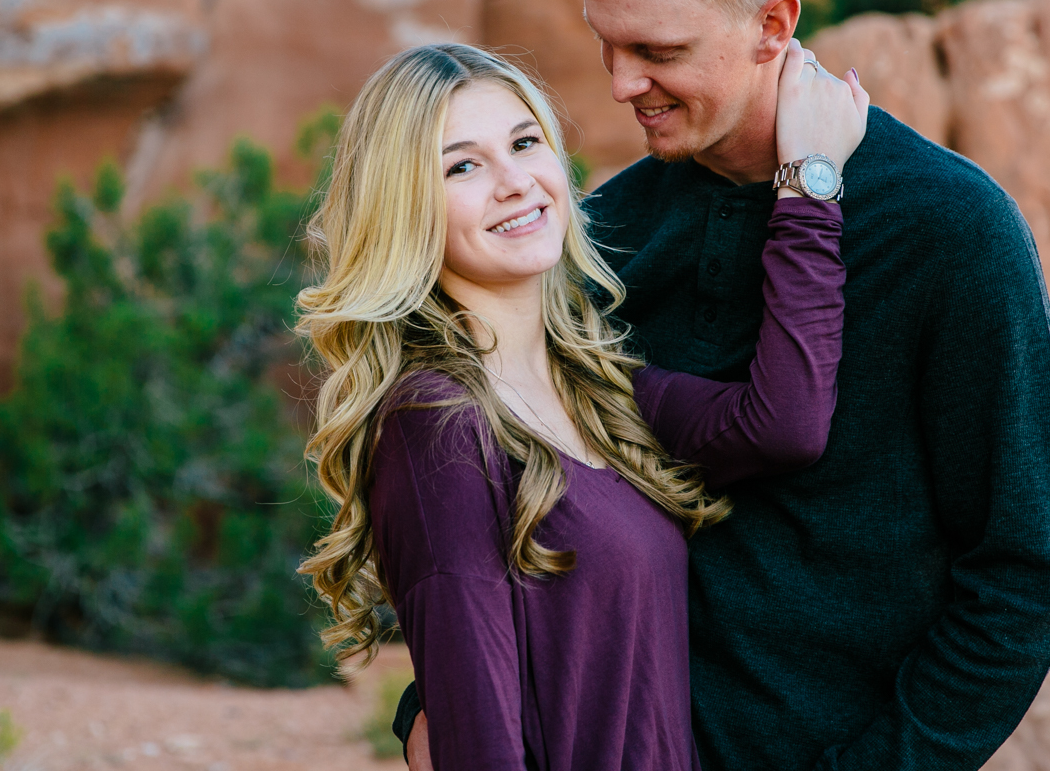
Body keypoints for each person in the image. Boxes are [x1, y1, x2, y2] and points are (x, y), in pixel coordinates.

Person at [396, 0, 1050, 771]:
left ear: (774, 24)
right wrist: (431, 708)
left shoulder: (952, 232)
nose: (619, 84)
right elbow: (508, 484)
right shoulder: (607, 232)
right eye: (607, 41)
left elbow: (1024, 582)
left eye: (659, 51)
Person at [296, 39, 868, 770]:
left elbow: (784, 425)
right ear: (404, 208)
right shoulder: (436, 426)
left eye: (525, 142)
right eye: (462, 165)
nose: (515, 182)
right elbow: (479, 743)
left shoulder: (600, 388)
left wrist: (806, 187)